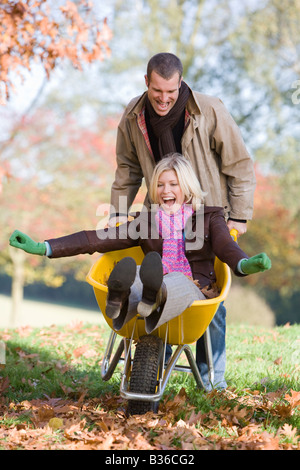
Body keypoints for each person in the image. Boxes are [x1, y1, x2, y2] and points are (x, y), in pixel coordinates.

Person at [9, 154, 270, 389]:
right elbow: (98, 238)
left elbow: (225, 245)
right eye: (159, 184)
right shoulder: (146, 221)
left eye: (173, 184)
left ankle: (145, 298)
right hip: (152, 282)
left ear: (187, 187)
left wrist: (243, 264)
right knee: (135, 272)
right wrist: (45, 247)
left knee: (174, 283)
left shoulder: (209, 217)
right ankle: (122, 295)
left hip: (193, 287)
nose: (165, 190)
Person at [109, 52, 257, 388]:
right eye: (157, 91)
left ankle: (211, 380)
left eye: (171, 93)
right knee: (155, 284)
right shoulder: (134, 116)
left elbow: (240, 164)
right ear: (147, 82)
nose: (163, 99)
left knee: (211, 300)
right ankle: (151, 365)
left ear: (181, 83)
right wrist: (118, 213)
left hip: (206, 219)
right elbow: (127, 170)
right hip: (161, 217)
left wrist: (239, 216)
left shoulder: (209, 110)